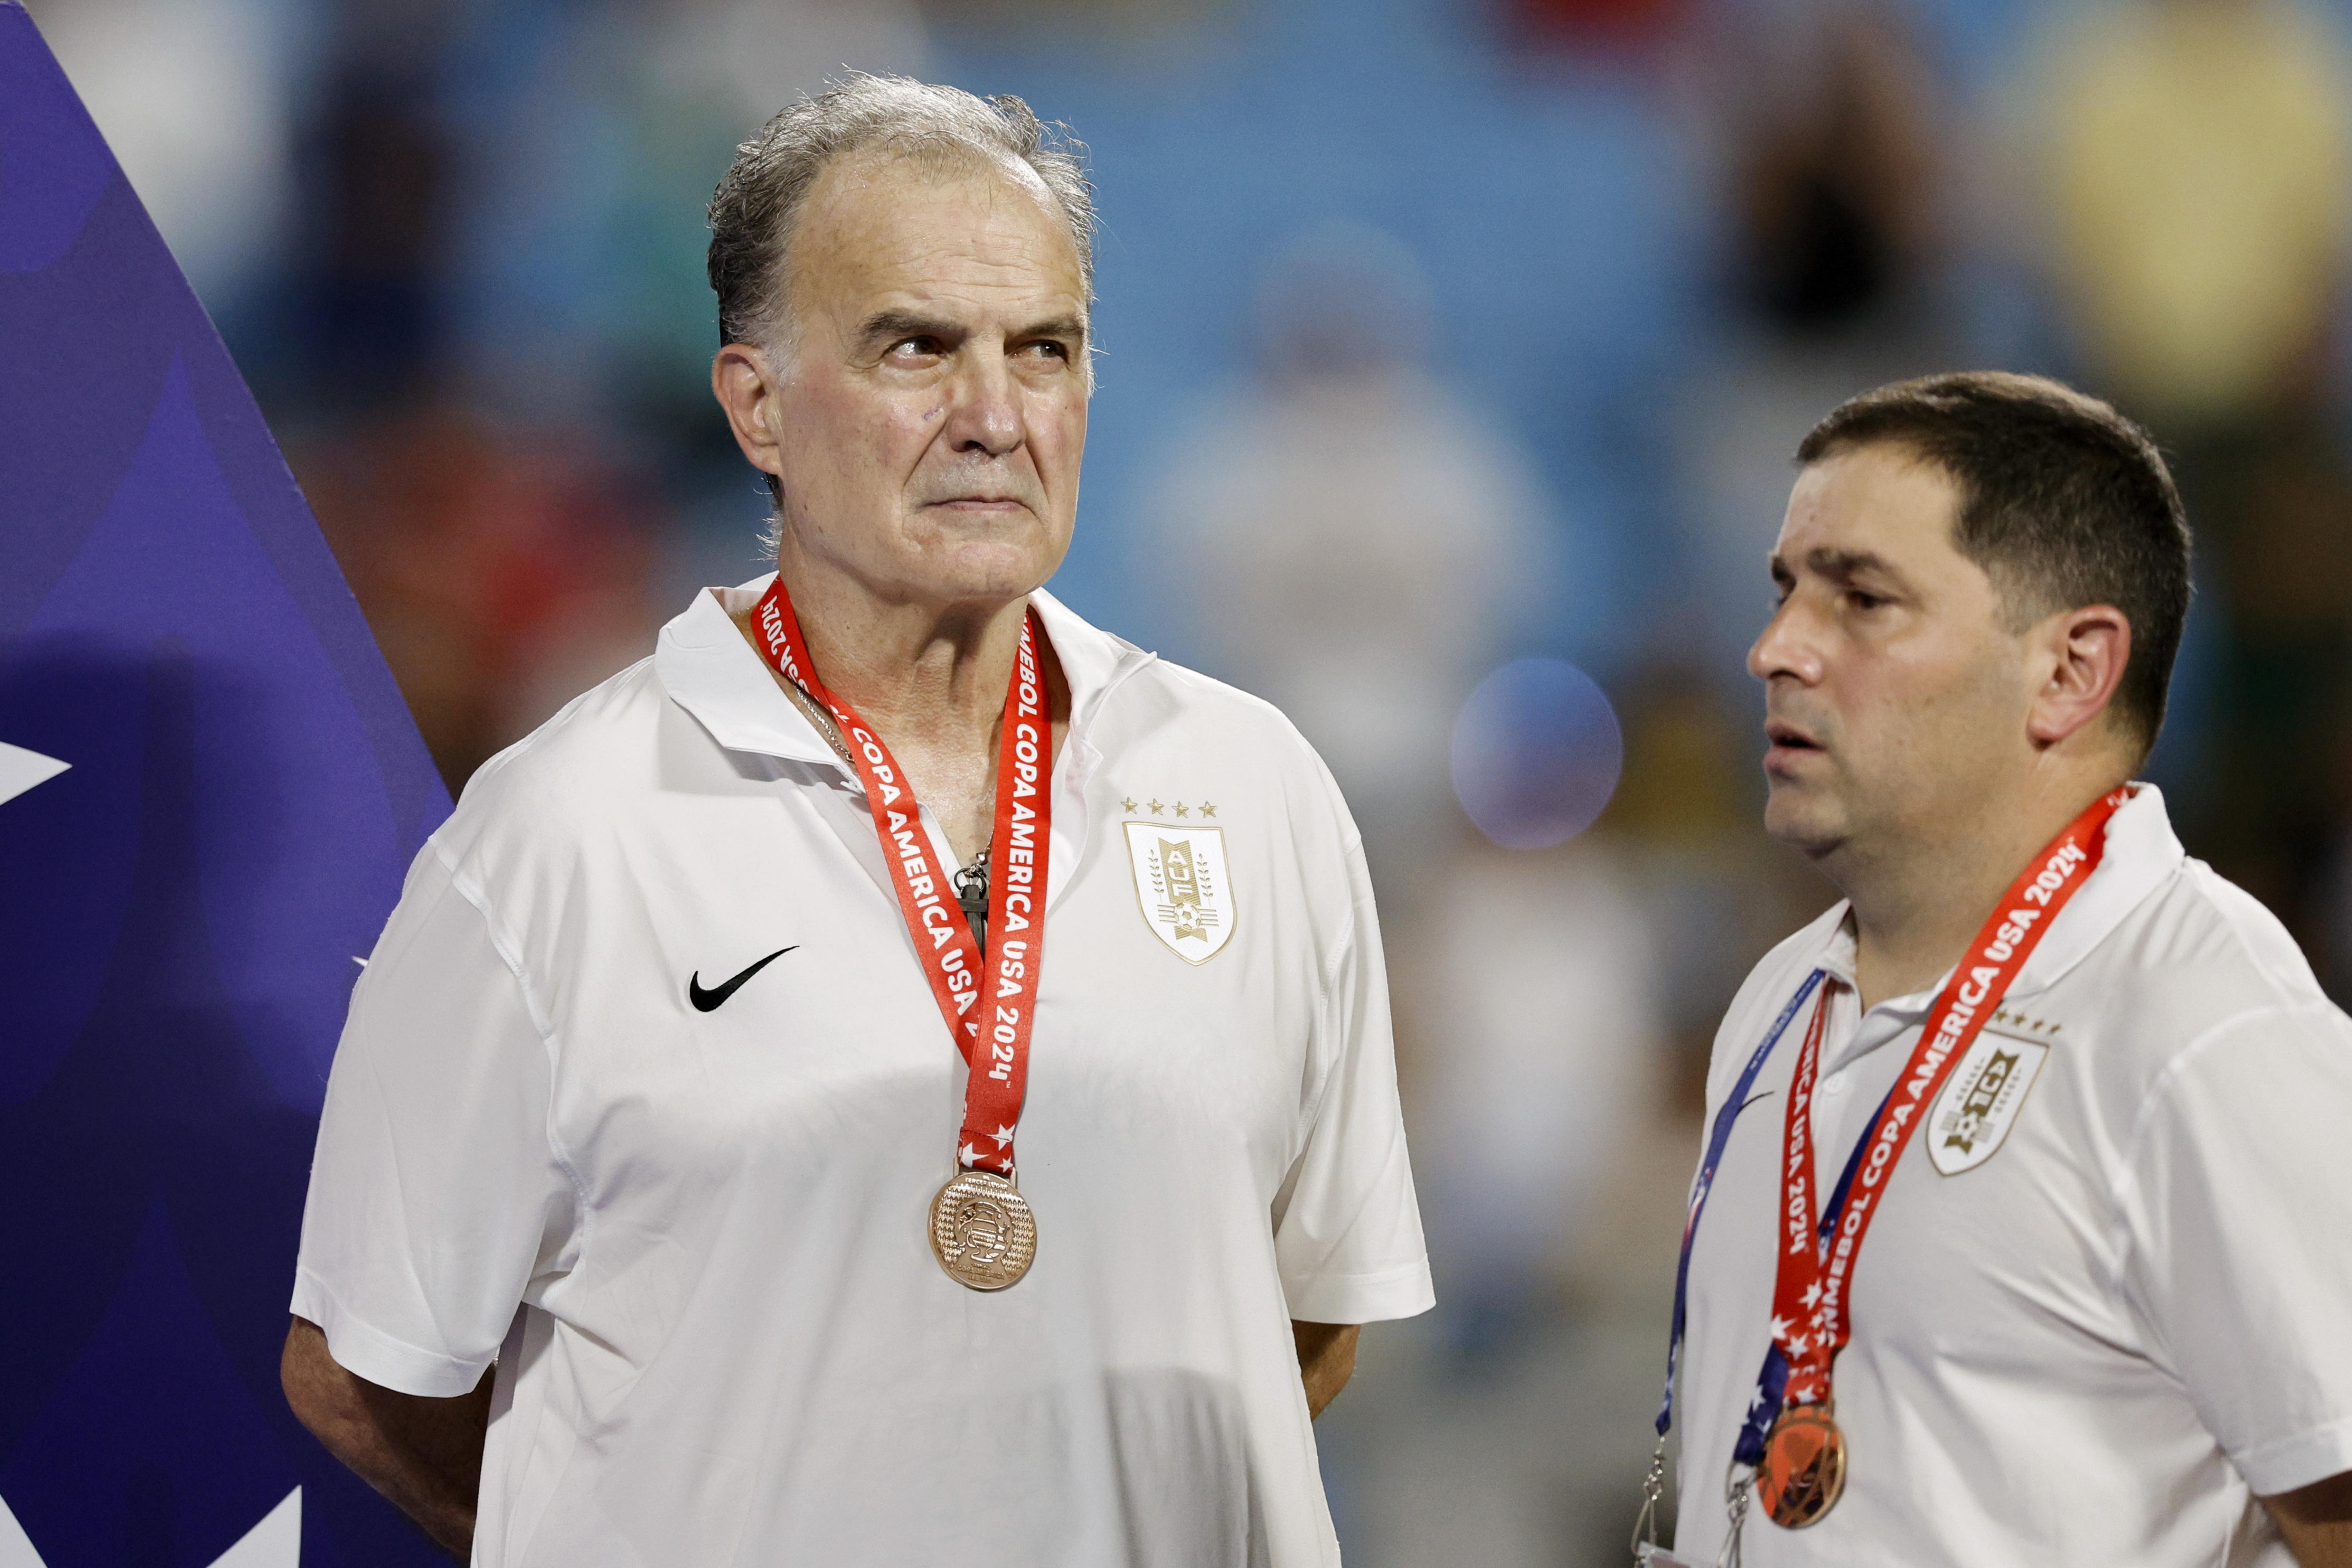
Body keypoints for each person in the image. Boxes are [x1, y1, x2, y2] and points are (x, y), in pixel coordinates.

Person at [280, 76, 1432, 1567]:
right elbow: (368, 1369)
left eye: (1046, 350)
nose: (995, 417)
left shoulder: (1254, 784)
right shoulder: (560, 830)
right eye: (918, 347)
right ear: (756, 404)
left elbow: (1299, 1312)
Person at [1641, 373, 2352, 1566]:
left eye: (1860, 598)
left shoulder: (2208, 1031)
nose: (1774, 649)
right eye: (1784, 590)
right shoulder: (1776, 1004)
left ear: (2071, 669)